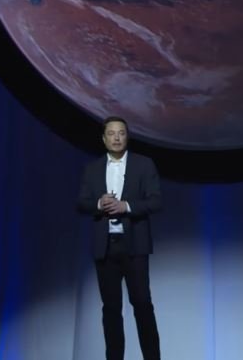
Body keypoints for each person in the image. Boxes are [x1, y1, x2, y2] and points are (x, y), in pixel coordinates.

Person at [77, 116, 162, 360]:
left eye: (121, 133)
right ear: (103, 139)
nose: (116, 137)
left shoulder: (144, 165)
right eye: (111, 133)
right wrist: (98, 203)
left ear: (127, 137)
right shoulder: (92, 169)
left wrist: (126, 206)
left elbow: (156, 201)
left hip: (135, 246)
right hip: (105, 248)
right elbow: (81, 204)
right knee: (111, 310)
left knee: (143, 305)